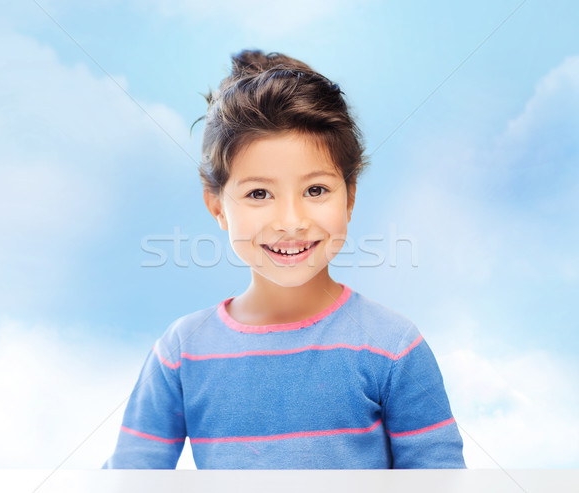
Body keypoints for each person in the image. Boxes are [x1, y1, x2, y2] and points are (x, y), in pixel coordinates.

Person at [104, 49, 465, 469]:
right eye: (259, 194)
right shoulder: (183, 352)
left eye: (315, 190)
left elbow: (439, 479)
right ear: (218, 207)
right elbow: (131, 477)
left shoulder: (394, 347)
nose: (291, 222)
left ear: (349, 198)